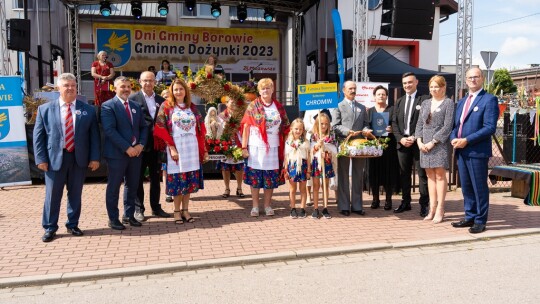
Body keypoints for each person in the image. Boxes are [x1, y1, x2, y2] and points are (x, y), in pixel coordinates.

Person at [33, 73, 101, 242]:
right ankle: (50, 227)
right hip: (54, 159)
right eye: (66, 86)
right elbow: (38, 137)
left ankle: (72, 224)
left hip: (78, 159)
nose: (70, 88)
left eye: (73, 85)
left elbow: (94, 136)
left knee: (75, 193)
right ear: (58, 88)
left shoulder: (88, 110)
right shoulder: (45, 109)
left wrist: (95, 158)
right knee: (52, 195)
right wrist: (40, 159)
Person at [450, 68, 499, 233]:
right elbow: (456, 126)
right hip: (461, 151)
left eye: (476, 77)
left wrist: (467, 140)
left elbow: (490, 128)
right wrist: (453, 139)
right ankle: (470, 216)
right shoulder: (463, 101)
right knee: (466, 187)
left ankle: (480, 220)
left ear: (482, 78)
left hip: (477, 152)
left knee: (479, 188)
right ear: (465, 80)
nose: (473, 80)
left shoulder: (489, 99)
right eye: (470, 77)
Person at [154, 79, 209, 225]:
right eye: (176, 89)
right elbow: (160, 128)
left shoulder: (193, 108)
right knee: (178, 181)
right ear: (172, 91)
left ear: (186, 91)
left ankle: (186, 210)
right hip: (176, 148)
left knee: (189, 180)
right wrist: (171, 148)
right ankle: (176, 211)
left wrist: (203, 149)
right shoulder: (166, 107)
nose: (178, 92)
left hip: (191, 148)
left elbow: (201, 129)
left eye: (181, 89)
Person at [101, 76, 148, 230]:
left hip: (136, 154)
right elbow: (110, 130)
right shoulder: (108, 106)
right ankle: (113, 219)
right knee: (114, 187)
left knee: (132, 186)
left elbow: (143, 127)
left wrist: (141, 145)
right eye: (123, 86)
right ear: (115, 88)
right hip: (117, 154)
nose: (126, 89)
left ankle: (129, 215)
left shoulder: (135, 106)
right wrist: (128, 148)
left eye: (128, 86)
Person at [241, 78, 290, 217]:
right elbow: (246, 126)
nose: (265, 90)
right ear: (259, 91)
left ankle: (267, 205)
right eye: (263, 88)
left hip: (273, 147)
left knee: (269, 178)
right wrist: (244, 147)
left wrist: (286, 149)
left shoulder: (278, 107)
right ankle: (255, 206)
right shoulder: (252, 106)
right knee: (256, 178)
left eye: (268, 88)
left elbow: (286, 127)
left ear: (272, 90)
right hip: (256, 146)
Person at [129, 71, 170, 221]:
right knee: (138, 178)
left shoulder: (161, 100)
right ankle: (139, 209)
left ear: (155, 82)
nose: (148, 83)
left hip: (156, 146)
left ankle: (156, 207)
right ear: (140, 81)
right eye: (145, 80)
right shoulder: (133, 99)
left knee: (156, 177)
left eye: (151, 81)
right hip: (139, 146)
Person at [415, 75, 455, 223]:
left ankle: (440, 208)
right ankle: (431, 208)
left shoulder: (448, 103)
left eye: (436, 86)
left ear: (443, 87)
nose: (433, 89)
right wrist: (419, 141)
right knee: (429, 176)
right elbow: (419, 124)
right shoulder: (425, 103)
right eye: (431, 87)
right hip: (424, 145)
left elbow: (447, 126)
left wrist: (433, 142)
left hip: (439, 144)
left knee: (439, 175)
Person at [392, 72, 430, 216]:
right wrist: (400, 138)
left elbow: (427, 122)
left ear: (416, 82)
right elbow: (394, 123)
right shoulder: (399, 101)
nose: (407, 85)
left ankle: (424, 205)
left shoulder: (425, 100)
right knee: (404, 175)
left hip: (418, 143)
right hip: (402, 143)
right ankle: (405, 202)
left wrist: (415, 137)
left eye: (410, 82)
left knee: (422, 175)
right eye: (405, 83)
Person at [332, 80, 372, 216]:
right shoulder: (338, 106)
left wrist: (366, 130)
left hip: (359, 145)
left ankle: (357, 206)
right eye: (350, 88)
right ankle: (343, 206)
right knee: (343, 174)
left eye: (354, 88)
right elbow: (335, 126)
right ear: (344, 90)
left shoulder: (362, 107)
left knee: (358, 175)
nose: (353, 91)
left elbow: (366, 124)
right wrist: (347, 131)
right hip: (344, 143)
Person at [367, 85, 399, 211]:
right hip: (373, 146)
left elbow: (397, 126)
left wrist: (392, 129)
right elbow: (366, 126)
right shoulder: (369, 111)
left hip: (388, 146)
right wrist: (368, 131)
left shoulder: (392, 110)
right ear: (374, 96)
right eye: (378, 94)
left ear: (386, 96)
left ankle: (388, 200)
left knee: (388, 173)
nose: (381, 96)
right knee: (374, 172)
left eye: (383, 94)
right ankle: (375, 199)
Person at [310, 112, 337, 219]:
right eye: (321, 124)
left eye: (326, 124)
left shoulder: (331, 136)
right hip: (317, 163)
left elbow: (334, 151)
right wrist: (317, 146)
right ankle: (315, 208)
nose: (324, 126)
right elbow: (311, 151)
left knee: (325, 186)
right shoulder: (313, 136)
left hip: (326, 162)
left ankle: (325, 207)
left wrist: (327, 152)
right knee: (316, 185)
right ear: (317, 124)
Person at [217, 97, 245, 198]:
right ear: (226, 103)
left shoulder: (240, 115)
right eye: (230, 102)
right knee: (225, 168)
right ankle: (227, 188)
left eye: (234, 102)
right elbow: (218, 130)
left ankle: (239, 188)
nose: (233, 104)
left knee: (239, 168)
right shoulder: (221, 116)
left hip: (238, 143)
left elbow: (244, 128)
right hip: (226, 143)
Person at [284, 119, 311, 218]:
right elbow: (286, 156)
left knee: (303, 189)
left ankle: (303, 208)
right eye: (296, 129)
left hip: (303, 166)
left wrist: (308, 169)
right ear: (291, 129)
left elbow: (308, 157)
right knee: (292, 189)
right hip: (292, 165)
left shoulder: (306, 142)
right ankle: (293, 208)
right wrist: (285, 169)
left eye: (300, 129)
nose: (298, 131)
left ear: (303, 130)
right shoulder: (288, 142)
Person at [160, 89, 173, 204]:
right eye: (164, 96)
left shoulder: (175, 109)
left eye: (168, 96)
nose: (166, 98)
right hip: (164, 145)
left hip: (176, 145)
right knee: (165, 170)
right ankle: (167, 192)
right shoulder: (161, 109)